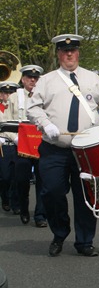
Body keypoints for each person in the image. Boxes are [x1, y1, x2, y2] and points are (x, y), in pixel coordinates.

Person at [27, 34, 99, 257]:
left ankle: (84, 241)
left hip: (87, 151)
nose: (69, 54)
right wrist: (45, 124)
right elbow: (33, 108)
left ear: (78, 52)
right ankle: (59, 232)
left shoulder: (93, 78)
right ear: (58, 54)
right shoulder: (47, 80)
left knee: (88, 197)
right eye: (64, 51)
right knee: (52, 192)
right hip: (55, 148)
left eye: (72, 50)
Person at [7, 65, 48, 227]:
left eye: (36, 78)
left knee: (43, 181)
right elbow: (5, 122)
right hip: (22, 147)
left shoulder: (45, 96)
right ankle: (24, 208)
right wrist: (15, 138)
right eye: (29, 77)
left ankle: (40, 215)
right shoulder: (14, 98)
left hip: (41, 145)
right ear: (23, 79)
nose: (32, 80)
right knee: (22, 180)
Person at [0, 82, 20, 217]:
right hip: (3, 145)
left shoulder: (18, 108)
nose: (8, 95)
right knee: (5, 177)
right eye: (5, 93)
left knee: (17, 177)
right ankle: (5, 198)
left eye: (11, 93)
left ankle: (15, 204)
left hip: (17, 144)